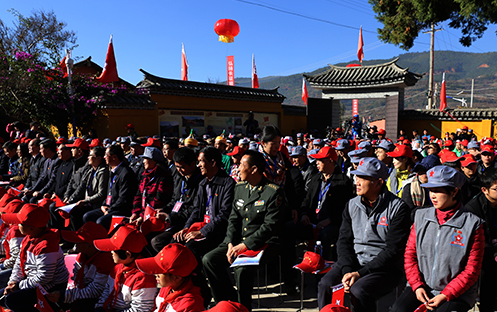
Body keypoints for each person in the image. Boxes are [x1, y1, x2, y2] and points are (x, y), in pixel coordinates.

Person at [317, 157, 411, 311]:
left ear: (379, 182)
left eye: (363, 178)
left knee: (359, 290)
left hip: (383, 268)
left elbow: (393, 250)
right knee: (326, 283)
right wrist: (348, 270)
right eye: (356, 176)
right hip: (354, 261)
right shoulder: (352, 204)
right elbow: (344, 241)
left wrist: (359, 274)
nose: (357, 182)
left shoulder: (398, 208)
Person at [390, 165, 484, 312]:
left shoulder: (473, 224)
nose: (432, 195)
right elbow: (410, 254)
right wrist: (416, 285)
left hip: (457, 293)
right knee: (397, 309)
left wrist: (445, 294)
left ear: (454, 191)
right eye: (430, 190)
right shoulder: (421, 217)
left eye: (437, 190)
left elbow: (471, 270)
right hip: (421, 286)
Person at [203, 150, 283, 310]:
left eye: (241, 165)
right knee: (209, 259)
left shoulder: (272, 192)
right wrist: (231, 243)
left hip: (262, 243)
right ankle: (225, 303)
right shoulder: (240, 188)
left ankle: (243, 308)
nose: (237, 168)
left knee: (241, 269)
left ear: (253, 169)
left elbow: (270, 226)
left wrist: (245, 245)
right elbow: (233, 219)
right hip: (238, 242)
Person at [0, 203, 69, 312]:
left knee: (12, 300)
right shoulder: (29, 238)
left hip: (51, 286)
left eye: (20, 223)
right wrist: (12, 282)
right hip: (33, 280)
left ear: (32, 228)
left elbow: (44, 277)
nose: (17, 225)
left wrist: (18, 286)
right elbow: (19, 263)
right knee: (3, 295)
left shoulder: (47, 246)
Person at [174, 147, 235, 262]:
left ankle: (197, 279)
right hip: (203, 227)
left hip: (217, 231)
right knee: (175, 242)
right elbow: (196, 210)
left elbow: (224, 215)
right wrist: (186, 228)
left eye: (201, 161)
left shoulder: (228, 184)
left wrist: (202, 232)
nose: (198, 165)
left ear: (212, 163)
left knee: (190, 248)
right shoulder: (203, 184)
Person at [47, 222, 114, 311]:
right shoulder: (81, 257)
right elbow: (76, 281)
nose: (75, 244)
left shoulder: (105, 261)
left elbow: (96, 291)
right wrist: (66, 295)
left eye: (79, 241)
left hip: (97, 301)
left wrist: (65, 296)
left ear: (90, 245)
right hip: (82, 294)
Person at [150, 147, 204, 253]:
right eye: (177, 167)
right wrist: (164, 210)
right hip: (174, 219)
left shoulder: (200, 182)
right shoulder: (180, 178)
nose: (179, 170)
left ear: (193, 164)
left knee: (158, 242)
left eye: (182, 167)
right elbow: (175, 200)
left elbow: (193, 209)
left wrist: (169, 217)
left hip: (186, 223)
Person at [94, 225, 156, 312]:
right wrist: (100, 307)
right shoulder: (118, 268)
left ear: (128, 254)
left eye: (114, 250)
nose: (111, 252)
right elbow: (107, 291)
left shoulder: (143, 277)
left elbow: (140, 309)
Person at [51, 146, 110, 232]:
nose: (88, 157)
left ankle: (79, 238)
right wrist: (70, 199)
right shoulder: (90, 171)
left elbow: (101, 194)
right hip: (87, 202)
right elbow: (81, 186)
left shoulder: (103, 172)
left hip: (94, 204)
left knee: (77, 214)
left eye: (90, 155)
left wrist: (85, 201)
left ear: (98, 158)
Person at [464, 168, 497, 311]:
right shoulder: (473, 209)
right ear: (485, 190)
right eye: (496, 189)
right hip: (483, 252)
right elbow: (475, 242)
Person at [136, 243, 204, 312]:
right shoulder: (168, 286)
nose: (156, 274)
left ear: (177, 278)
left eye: (160, 271)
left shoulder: (190, 304)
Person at [83, 145, 138, 230]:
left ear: (114, 157)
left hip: (120, 209)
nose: (104, 157)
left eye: (106, 155)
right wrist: (104, 205)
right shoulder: (112, 171)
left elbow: (123, 199)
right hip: (110, 206)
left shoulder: (126, 173)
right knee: (87, 216)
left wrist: (110, 210)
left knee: (101, 221)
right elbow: (109, 192)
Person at [130, 147, 173, 224]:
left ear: (153, 161)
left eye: (145, 159)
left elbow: (158, 202)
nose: (143, 162)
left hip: (154, 217)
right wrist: (135, 213)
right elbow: (138, 195)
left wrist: (142, 216)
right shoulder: (144, 175)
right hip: (142, 214)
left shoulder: (164, 177)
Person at [401, 154, 441, 221]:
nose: (423, 175)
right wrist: (432, 209)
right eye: (421, 171)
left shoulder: (445, 189)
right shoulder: (410, 188)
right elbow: (407, 213)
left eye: (427, 171)